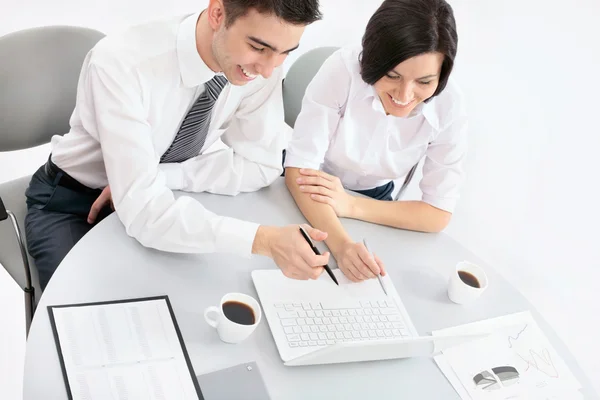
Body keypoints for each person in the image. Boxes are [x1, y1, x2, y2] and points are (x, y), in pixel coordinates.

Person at [24, 0, 329, 291]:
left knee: (191, 307)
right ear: (217, 13)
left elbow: (261, 165)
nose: (267, 69)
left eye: (285, 53)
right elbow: (145, 213)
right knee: (86, 322)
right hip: (73, 201)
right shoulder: (123, 63)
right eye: (258, 47)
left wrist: (167, 178)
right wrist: (264, 240)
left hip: (163, 193)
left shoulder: (260, 69)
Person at [284, 0, 467, 283]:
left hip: (375, 198)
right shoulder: (342, 69)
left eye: (424, 82)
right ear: (372, 59)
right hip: (314, 180)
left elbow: (438, 213)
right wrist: (342, 246)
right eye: (392, 75)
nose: (405, 96)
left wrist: (351, 206)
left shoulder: (450, 106)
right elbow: (300, 169)